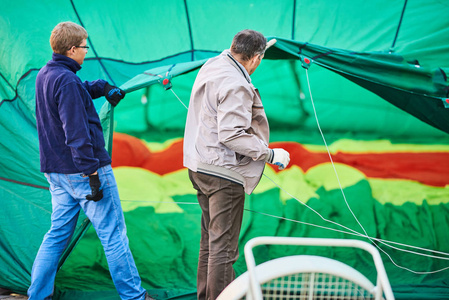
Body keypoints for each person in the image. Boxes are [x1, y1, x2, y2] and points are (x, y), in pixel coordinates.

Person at [29, 21, 155, 300]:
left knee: (57, 235)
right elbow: (76, 132)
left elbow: (75, 91)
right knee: (113, 235)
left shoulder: (47, 74)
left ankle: (37, 295)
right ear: (72, 49)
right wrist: (92, 174)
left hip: (56, 172)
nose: (87, 52)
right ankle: (134, 296)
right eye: (85, 47)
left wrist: (102, 86)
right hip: (83, 172)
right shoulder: (67, 81)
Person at [183, 29, 291, 300]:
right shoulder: (237, 84)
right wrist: (269, 154)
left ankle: (206, 296)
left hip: (199, 165)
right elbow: (231, 134)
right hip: (223, 174)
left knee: (209, 242)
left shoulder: (213, 65)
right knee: (223, 249)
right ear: (256, 59)